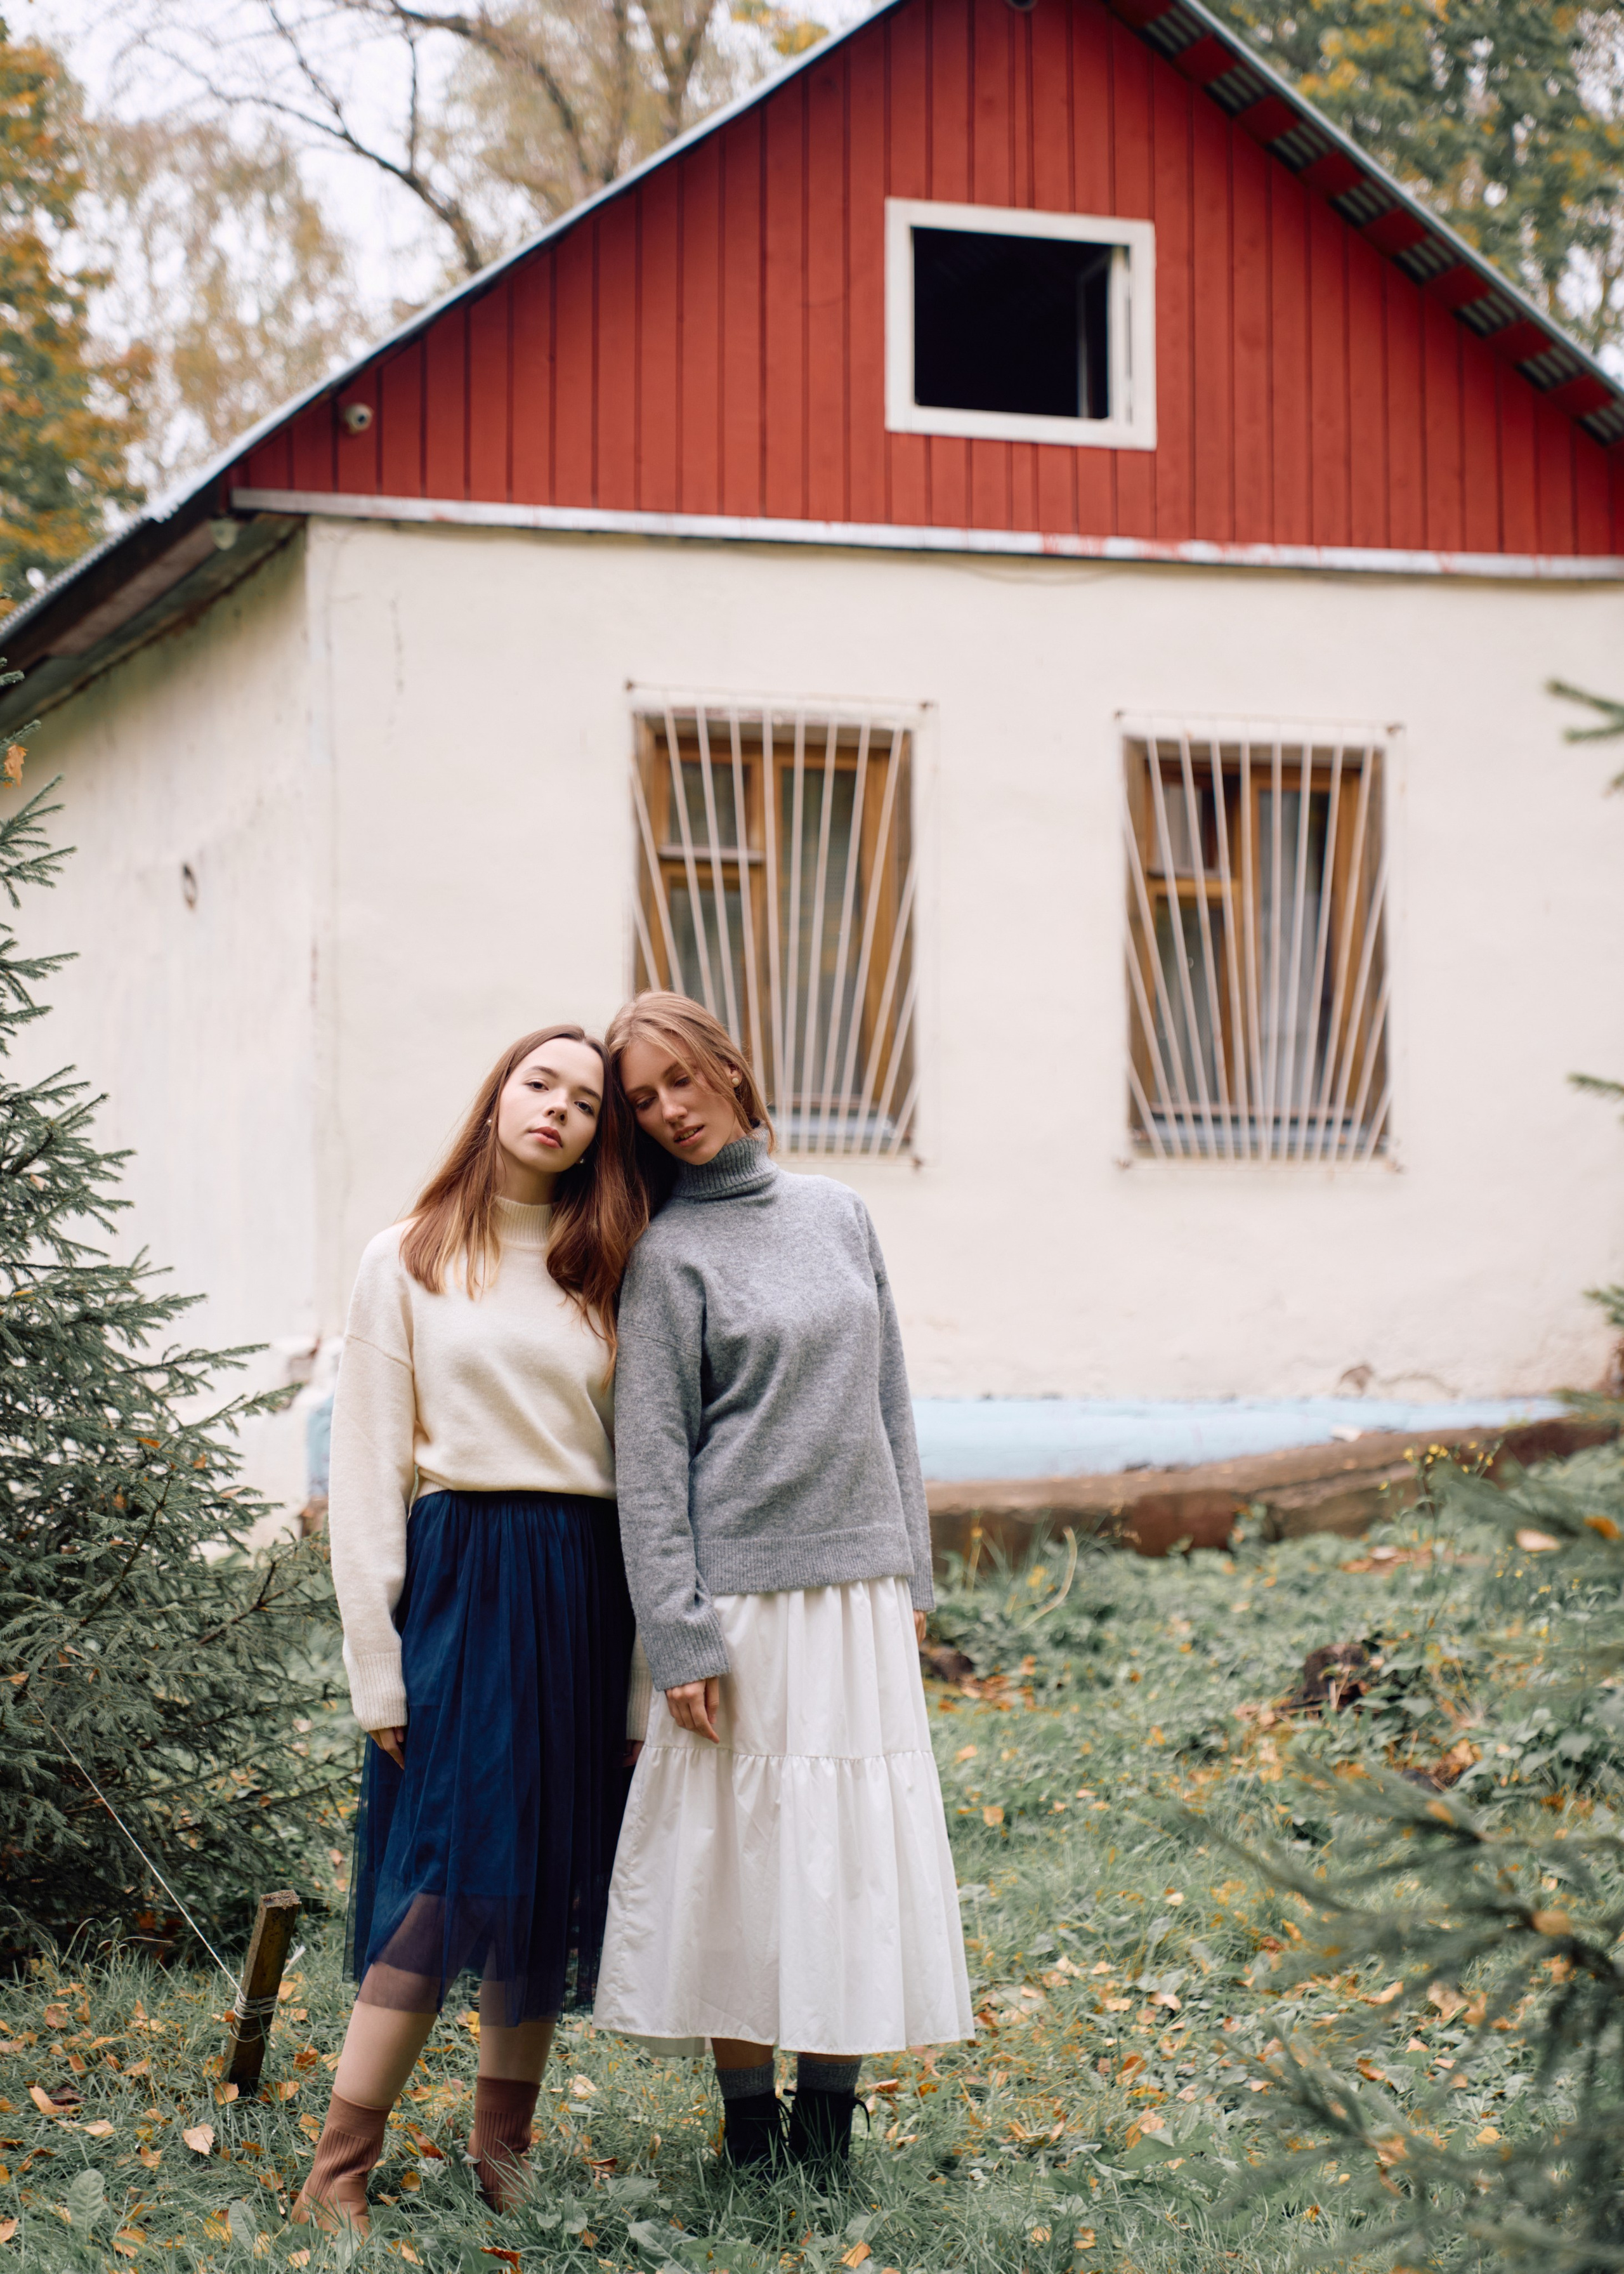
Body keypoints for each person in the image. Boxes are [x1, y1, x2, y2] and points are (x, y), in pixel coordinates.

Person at [592, 992, 973, 2171]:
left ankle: (828, 2131)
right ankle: (751, 2129)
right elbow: (649, 1470)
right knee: (743, 1859)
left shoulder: (842, 1214)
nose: (668, 1113)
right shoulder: (668, 1258)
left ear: (728, 1068)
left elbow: (891, 1402)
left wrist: (908, 1565)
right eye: (643, 1101)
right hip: (740, 1606)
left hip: (857, 1594)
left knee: (848, 1849)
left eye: (679, 1083)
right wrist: (683, 1639)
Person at [294, 1025, 650, 2237]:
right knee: (444, 1879)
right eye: (539, 1082)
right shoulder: (407, 1257)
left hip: (586, 1587)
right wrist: (377, 1669)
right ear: (498, 1095)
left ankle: (505, 2153)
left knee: (544, 1877)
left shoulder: (609, 1263)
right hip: (464, 1580)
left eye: (588, 1101)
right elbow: (368, 1471)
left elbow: (649, 1480)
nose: (559, 1109)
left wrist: (645, 1682)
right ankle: (339, 2169)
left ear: (604, 1135)